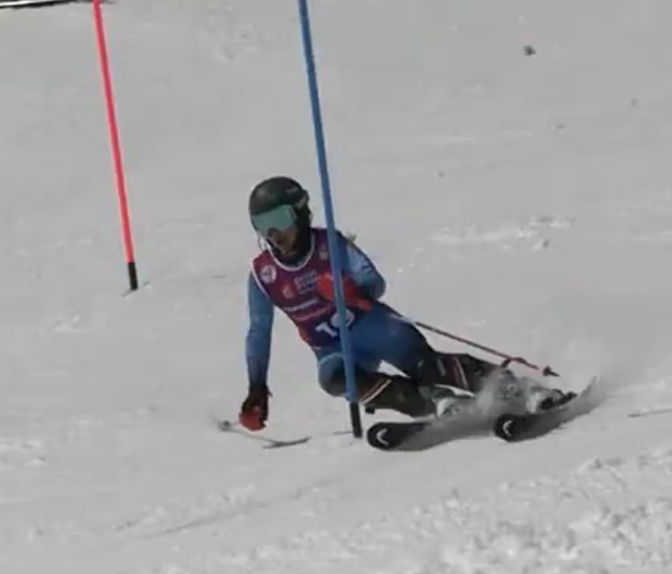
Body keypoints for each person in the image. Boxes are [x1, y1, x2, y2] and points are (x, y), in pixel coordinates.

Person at [235, 176, 566, 432]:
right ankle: (434, 402)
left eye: (279, 218)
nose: (274, 233)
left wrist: (349, 289)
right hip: (334, 349)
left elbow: (374, 282)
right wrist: (257, 387)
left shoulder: (329, 244)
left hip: (375, 327)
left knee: (425, 364)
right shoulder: (264, 275)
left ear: (299, 213)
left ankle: (521, 390)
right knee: (336, 379)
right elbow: (259, 332)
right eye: (263, 225)